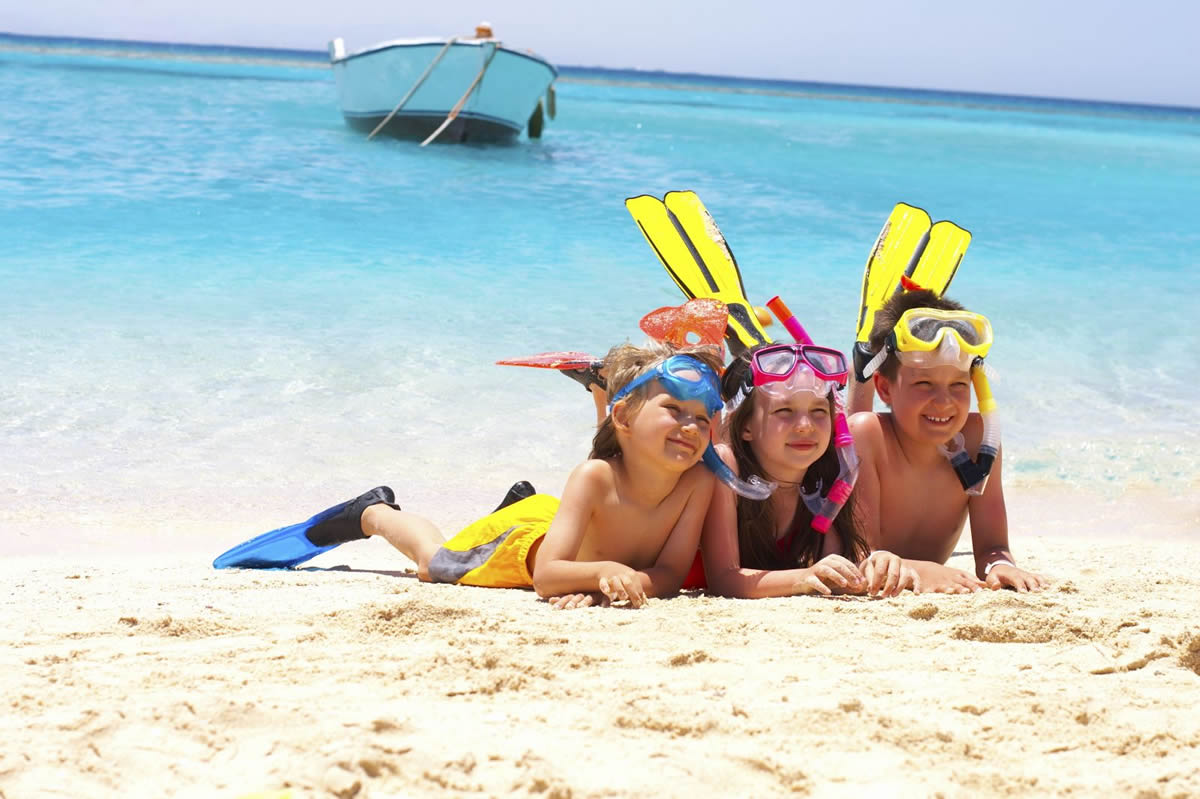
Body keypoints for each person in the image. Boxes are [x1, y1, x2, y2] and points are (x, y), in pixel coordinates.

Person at [239, 341, 725, 609]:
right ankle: (374, 512)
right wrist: (601, 574)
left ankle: (529, 483)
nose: (691, 426)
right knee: (434, 565)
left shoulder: (698, 485)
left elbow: (670, 575)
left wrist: (616, 582)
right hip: (518, 547)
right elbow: (549, 578)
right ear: (622, 418)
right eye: (674, 409)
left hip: (559, 523)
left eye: (702, 418)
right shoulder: (593, 477)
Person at [848, 288, 1045, 593]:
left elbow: (993, 547)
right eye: (924, 383)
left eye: (958, 384)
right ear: (885, 390)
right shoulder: (868, 436)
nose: (944, 402)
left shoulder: (979, 440)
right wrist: (921, 570)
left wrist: (1000, 565)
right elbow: (861, 556)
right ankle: (855, 373)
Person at [693, 343, 917, 599]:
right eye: (784, 411)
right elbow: (725, 579)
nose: (805, 425)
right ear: (745, 426)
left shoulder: (825, 478)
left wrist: (878, 563)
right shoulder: (727, 469)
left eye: (818, 411)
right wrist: (803, 577)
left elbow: (837, 567)